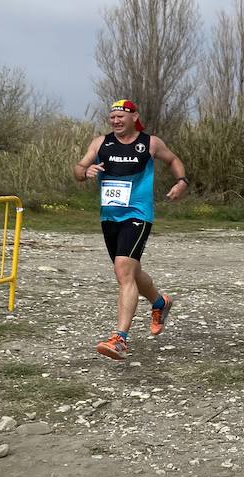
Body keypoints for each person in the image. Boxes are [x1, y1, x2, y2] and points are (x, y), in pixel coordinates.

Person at [74, 98, 188, 360]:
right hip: (110, 216)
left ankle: (120, 339)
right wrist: (85, 171)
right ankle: (160, 302)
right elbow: (78, 168)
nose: (115, 121)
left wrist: (181, 181)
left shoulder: (150, 143)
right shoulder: (100, 143)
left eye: (120, 117)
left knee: (123, 269)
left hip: (138, 214)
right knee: (132, 271)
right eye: (112, 117)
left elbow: (173, 160)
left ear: (134, 117)